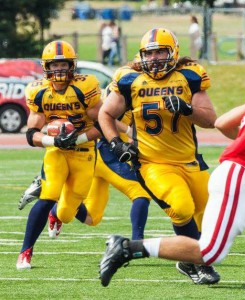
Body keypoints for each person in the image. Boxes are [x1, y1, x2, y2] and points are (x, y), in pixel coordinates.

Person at [98, 28, 220, 285]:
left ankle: (187, 260)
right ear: (142, 55)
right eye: (149, 53)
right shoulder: (129, 79)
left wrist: (188, 109)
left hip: (190, 161)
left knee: (210, 215)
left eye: (160, 52)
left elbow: (211, 119)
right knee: (181, 207)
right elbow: (105, 114)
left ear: (173, 52)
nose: (154, 58)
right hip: (153, 163)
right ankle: (200, 263)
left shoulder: (189, 76)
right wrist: (116, 143)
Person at [99, 97, 245, 287]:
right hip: (242, 177)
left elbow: (223, 123)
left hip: (239, 173)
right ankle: (127, 248)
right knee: (210, 252)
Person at [18, 55, 151, 241]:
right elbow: (106, 117)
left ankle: (57, 209)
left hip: (109, 152)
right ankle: (138, 243)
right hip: (105, 151)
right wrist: (130, 132)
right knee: (141, 192)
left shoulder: (150, 88)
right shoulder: (125, 84)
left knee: (91, 218)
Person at [16, 40, 102, 270]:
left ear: (72, 65)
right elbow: (31, 134)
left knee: (65, 211)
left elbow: (104, 124)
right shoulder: (39, 91)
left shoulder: (85, 87)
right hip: (56, 151)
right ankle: (25, 251)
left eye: (63, 64)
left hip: (83, 151)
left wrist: (78, 138)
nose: (59, 70)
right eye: (54, 65)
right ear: (46, 67)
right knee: (49, 194)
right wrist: (54, 140)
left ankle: (57, 215)